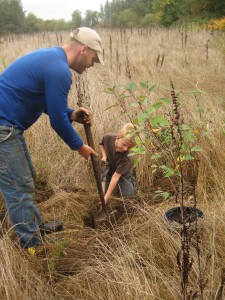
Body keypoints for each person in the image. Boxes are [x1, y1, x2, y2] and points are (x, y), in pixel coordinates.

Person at [0, 27, 104, 249]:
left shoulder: (52, 59)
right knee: (18, 187)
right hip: (3, 128)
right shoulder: (59, 70)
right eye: (93, 59)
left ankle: (33, 227)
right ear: (84, 49)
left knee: (27, 178)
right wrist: (79, 147)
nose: (91, 65)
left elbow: (47, 103)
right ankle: (32, 246)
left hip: (8, 127)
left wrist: (72, 114)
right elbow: (57, 122)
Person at [99, 123, 137, 205]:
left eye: (129, 147)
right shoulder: (108, 137)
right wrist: (104, 156)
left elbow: (116, 176)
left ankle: (132, 180)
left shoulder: (126, 157)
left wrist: (106, 197)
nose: (125, 149)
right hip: (111, 167)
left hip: (123, 173)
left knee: (126, 196)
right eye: (124, 144)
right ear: (118, 136)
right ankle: (107, 179)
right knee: (101, 191)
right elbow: (102, 144)